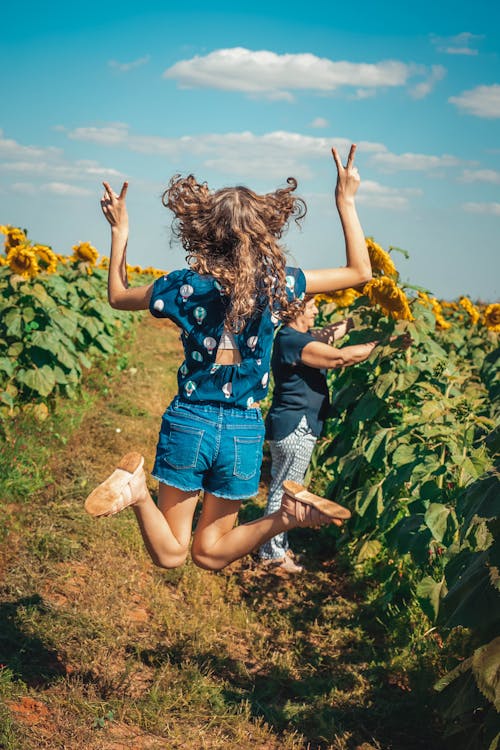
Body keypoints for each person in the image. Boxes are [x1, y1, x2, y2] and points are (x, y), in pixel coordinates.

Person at [84, 144, 372, 572]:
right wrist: (346, 202)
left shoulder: (181, 287)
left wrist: (119, 232)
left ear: (203, 231)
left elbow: (118, 296)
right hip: (243, 428)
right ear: (263, 231)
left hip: (191, 420)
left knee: (172, 553)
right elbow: (360, 272)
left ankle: (137, 491)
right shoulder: (281, 285)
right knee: (210, 554)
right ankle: (282, 519)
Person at [260, 302, 390, 572]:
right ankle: (272, 554)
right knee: (287, 490)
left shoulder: (295, 337)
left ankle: (277, 547)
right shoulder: (292, 340)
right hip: (296, 424)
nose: (316, 311)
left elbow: (329, 335)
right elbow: (338, 358)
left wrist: (352, 321)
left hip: (292, 423)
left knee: (283, 486)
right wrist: (382, 344)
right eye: (311, 306)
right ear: (295, 310)